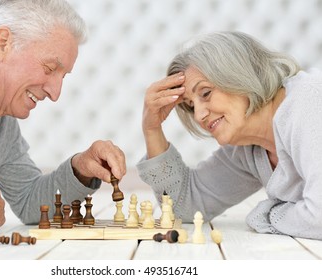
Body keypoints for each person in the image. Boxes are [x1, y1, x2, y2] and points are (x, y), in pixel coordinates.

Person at [0, 0, 126, 243]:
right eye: (50, 68)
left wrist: (81, 168)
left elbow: (31, 202)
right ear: (2, 44)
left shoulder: (1, 125)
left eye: (63, 77)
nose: (55, 93)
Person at [137, 31, 322, 240]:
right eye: (191, 105)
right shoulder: (248, 150)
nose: (199, 115)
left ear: (239, 74)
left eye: (205, 93)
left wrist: (266, 215)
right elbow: (184, 207)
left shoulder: (309, 101)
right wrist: (152, 130)